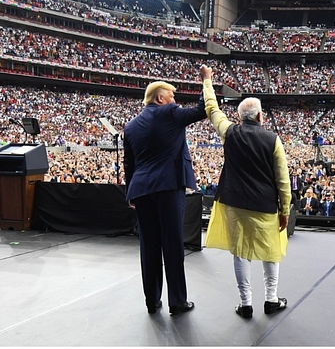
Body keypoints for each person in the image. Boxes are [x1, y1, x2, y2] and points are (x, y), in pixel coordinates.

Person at [201, 65, 291, 319]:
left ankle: (246, 303)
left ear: (239, 117)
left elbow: (212, 110)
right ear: (261, 117)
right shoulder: (273, 139)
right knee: (270, 249)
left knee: (240, 252)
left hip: (234, 203)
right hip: (265, 205)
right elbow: (283, 180)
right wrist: (285, 210)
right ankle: (272, 299)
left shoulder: (229, 132)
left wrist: (208, 82)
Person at [123, 79, 206, 315]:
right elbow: (201, 110)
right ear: (160, 98)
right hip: (168, 186)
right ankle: (177, 301)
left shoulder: (130, 126)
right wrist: (207, 81)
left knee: (149, 246)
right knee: (172, 243)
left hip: (142, 190)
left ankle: (152, 300)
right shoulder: (169, 113)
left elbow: (129, 163)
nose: (175, 101)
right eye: (172, 96)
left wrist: (131, 192)